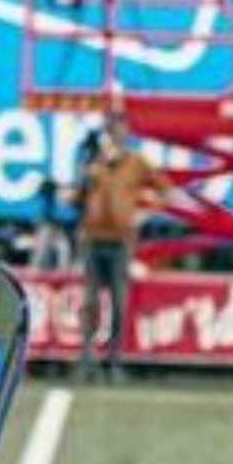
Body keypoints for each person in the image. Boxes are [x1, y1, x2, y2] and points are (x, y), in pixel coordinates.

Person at [76, 117, 166, 382]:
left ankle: (114, 361)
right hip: (93, 238)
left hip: (120, 241)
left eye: (121, 133)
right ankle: (87, 358)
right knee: (90, 302)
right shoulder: (95, 163)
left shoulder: (136, 163)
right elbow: (82, 195)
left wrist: (142, 215)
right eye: (112, 133)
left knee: (118, 302)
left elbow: (165, 189)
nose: (117, 137)